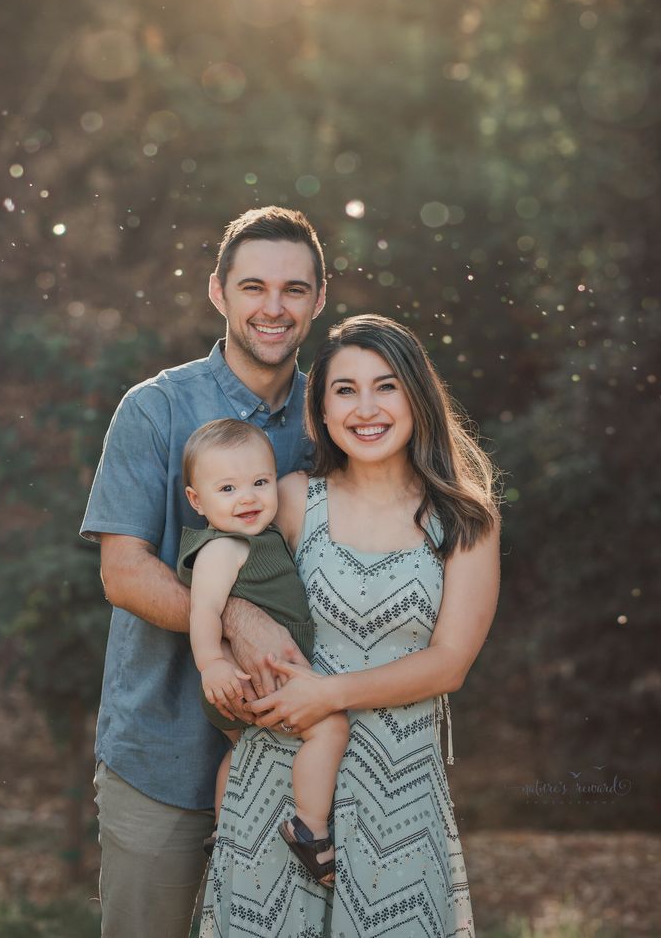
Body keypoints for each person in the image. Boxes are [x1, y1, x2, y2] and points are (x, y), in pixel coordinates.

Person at [200, 313, 501, 938]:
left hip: (399, 791)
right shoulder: (288, 498)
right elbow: (216, 579)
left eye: (386, 386)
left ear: (417, 396)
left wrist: (327, 695)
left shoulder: (464, 519)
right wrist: (229, 654)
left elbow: (450, 663)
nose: (367, 407)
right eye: (345, 389)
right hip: (278, 784)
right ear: (322, 410)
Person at [80, 206, 327, 938]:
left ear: (320, 298)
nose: (273, 307)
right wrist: (235, 618)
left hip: (299, 754)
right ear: (217, 292)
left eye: (294, 289)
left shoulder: (336, 414)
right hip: (164, 752)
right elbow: (123, 573)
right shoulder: (155, 410)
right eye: (253, 286)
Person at [177, 418, 350, 887]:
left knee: (240, 749)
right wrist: (212, 662)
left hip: (246, 682)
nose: (248, 497)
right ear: (197, 501)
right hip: (255, 678)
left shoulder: (259, 537)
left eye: (259, 482)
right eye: (228, 488)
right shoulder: (224, 548)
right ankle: (309, 828)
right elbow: (205, 611)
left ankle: (223, 826)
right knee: (330, 728)